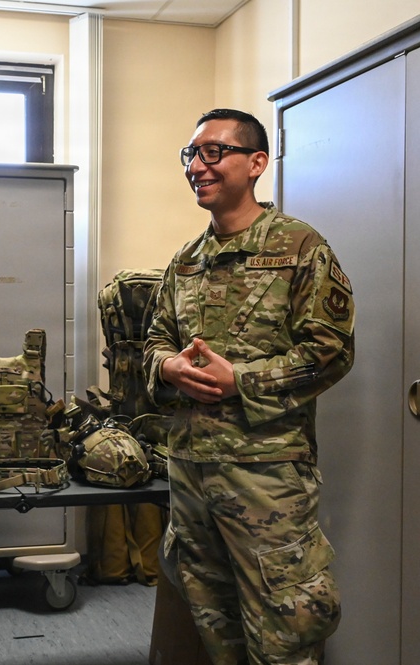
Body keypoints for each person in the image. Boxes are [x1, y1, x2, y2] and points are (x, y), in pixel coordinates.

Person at [143, 108, 354, 665]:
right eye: (191, 154)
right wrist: (167, 368)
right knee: (213, 624)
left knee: (285, 631)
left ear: (257, 163)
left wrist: (240, 380)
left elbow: (330, 353)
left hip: (266, 479)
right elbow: (152, 343)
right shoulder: (186, 262)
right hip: (190, 474)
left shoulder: (299, 248)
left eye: (213, 152)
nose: (197, 165)